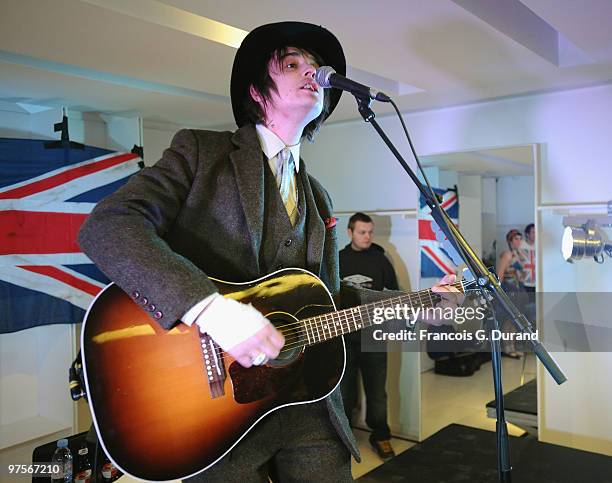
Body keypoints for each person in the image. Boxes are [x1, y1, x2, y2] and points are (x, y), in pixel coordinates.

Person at [79, 21, 462, 481]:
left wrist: (423, 306)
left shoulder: (317, 196)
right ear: (257, 92)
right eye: (292, 62)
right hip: (216, 416)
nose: (312, 71)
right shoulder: (201, 152)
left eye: (317, 65)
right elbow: (107, 225)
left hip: (309, 405)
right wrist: (211, 310)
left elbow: (335, 302)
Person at [339, 213, 399, 460]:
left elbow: (394, 294)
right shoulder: (338, 258)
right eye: (362, 232)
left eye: (370, 232)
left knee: (376, 392)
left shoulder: (380, 260)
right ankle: (344, 437)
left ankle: (381, 436)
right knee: (345, 393)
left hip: (373, 335)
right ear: (350, 232)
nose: (368, 237)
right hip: (344, 337)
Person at [496, 229, 528, 357]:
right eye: (515, 239)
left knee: (516, 319)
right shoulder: (507, 255)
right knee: (508, 319)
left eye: (520, 239)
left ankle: (513, 346)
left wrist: (521, 275)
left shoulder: (518, 255)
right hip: (509, 290)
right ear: (510, 241)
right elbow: (500, 274)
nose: (518, 241)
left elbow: (521, 274)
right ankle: (507, 347)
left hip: (517, 288)